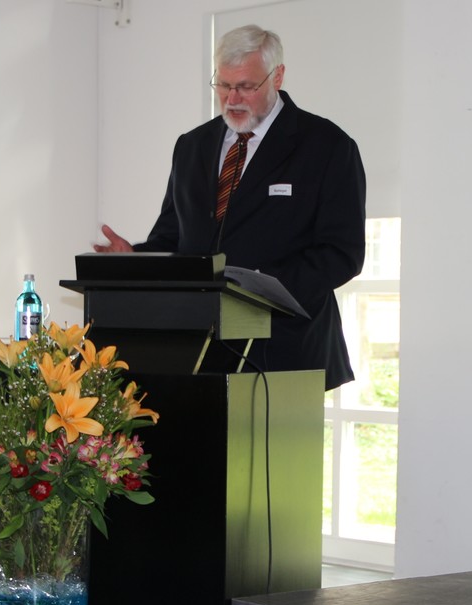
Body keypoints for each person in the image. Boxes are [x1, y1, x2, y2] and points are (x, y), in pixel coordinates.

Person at [93, 24, 366, 391]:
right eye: (223, 85)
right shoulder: (192, 146)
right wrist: (135, 257)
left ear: (278, 76)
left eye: (246, 86)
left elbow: (342, 253)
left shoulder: (326, 146)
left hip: (286, 354)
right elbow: (174, 237)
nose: (232, 98)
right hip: (194, 352)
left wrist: (260, 290)